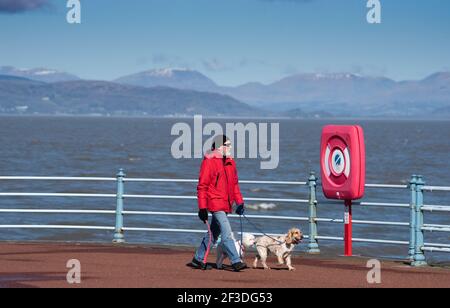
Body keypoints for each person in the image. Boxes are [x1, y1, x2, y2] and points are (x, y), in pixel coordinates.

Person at [190, 135, 247, 272]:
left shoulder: (230, 162)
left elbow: (234, 185)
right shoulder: (209, 161)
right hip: (215, 203)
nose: (230, 147)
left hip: (226, 204)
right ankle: (236, 261)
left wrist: (240, 203)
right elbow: (202, 186)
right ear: (219, 147)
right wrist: (202, 208)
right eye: (228, 144)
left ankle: (198, 259)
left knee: (213, 234)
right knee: (226, 233)